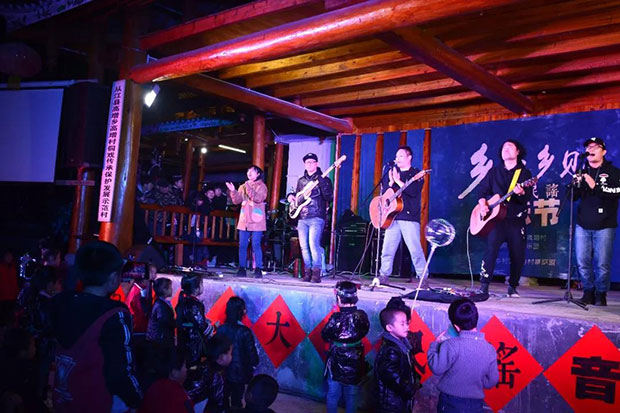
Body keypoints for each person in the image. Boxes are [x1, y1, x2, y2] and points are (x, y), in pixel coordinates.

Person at [50, 241, 142, 412]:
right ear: (113, 277)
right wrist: (137, 400)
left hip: (62, 400)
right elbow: (120, 371)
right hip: (97, 403)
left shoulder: (59, 302)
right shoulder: (115, 313)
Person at [477, 139, 533, 298]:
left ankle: (513, 286)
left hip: (516, 220)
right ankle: (484, 285)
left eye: (510, 147)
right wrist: (483, 204)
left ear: (518, 152)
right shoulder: (494, 172)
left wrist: (521, 192)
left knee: (517, 254)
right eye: (503, 148)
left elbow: (527, 197)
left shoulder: (524, 173)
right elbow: (481, 191)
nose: (506, 149)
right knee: (491, 251)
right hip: (496, 220)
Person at [427, 298, 499, 412]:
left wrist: (435, 345)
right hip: (476, 404)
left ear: (456, 327)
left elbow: (437, 368)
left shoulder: (451, 345)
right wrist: (474, 383)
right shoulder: (490, 349)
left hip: (450, 403)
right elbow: (491, 381)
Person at [574, 137, 620, 306]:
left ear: (604, 151)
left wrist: (595, 186)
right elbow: (573, 197)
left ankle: (601, 293)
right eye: (588, 147)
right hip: (583, 223)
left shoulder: (614, 172)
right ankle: (588, 291)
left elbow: (617, 192)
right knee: (582, 261)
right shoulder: (582, 171)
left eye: (595, 147)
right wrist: (575, 185)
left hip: (605, 224)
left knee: (602, 263)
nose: (591, 149)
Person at [377, 146, 428, 286]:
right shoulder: (393, 172)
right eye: (396, 156)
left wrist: (398, 181)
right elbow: (386, 194)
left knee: (415, 249)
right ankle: (384, 275)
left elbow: (413, 191)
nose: (397, 159)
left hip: (409, 217)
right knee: (387, 249)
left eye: (400, 156)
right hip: (392, 217)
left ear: (409, 157)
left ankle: (423, 277)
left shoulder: (416, 173)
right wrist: (390, 182)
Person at [321, 281, 370, 413]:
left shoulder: (336, 318)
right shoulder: (362, 316)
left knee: (333, 394)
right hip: (356, 359)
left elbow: (325, 335)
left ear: (338, 298)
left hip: (336, 359)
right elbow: (365, 330)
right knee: (352, 395)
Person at [287, 153, 334, 283]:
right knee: (304, 247)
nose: (309, 164)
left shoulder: (324, 179)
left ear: (317, 164)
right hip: (302, 217)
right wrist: (290, 196)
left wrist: (322, 182)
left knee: (313, 244)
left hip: (317, 216)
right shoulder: (301, 181)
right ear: (304, 165)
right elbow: (298, 196)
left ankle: (316, 273)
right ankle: (307, 272)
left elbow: (329, 197)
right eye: (307, 162)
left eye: (312, 162)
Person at [374, 304, 420, 413]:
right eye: (402, 324)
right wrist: (410, 389)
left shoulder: (402, 343)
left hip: (399, 400)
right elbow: (392, 376)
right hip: (391, 403)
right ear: (389, 328)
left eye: (407, 323)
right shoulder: (391, 350)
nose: (407, 327)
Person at [216, 297, 259, 410]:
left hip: (222, 372)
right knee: (236, 401)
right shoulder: (245, 331)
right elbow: (253, 357)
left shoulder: (221, 329)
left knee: (223, 398)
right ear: (242, 312)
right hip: (240, 373)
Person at [227, 165, 268, 278]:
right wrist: (233, 191)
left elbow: (258, 198)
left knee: (256, 244)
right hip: (244, 219)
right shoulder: (243, 186)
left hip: (257, 220)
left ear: (258, 174)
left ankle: (258, 268)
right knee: (242, 245)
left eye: (252, 171)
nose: (249, 173)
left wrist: (248, 186)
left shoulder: (262, 186)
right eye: (248, 171)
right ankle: (242, 268)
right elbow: (237, 201)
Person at [175, 274, 215, 369]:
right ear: (196, 289)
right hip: (193, 344)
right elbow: (201, 327)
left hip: (184, 341)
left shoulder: (183, 301)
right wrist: (213, 327)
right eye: (201, 284)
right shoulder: (194, 305)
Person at [187, 335, 233, 413]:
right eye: (230, 353)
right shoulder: (217, 377)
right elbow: (219, 402)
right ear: (221, 358)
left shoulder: (203, 365)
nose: (232, 356)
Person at [139, 348, 193, 413]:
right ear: (174, 372)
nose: (186, 370)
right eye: (184, 366)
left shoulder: (154, 387)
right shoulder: (179, 397)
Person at [146, 277, 175, 349]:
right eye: (170, 287)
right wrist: (177, 323)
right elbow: (165, 322)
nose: (172, 289)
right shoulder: (160, 305)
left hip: (159, 339)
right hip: (160, 341)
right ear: (164, 290)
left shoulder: (160, 303)